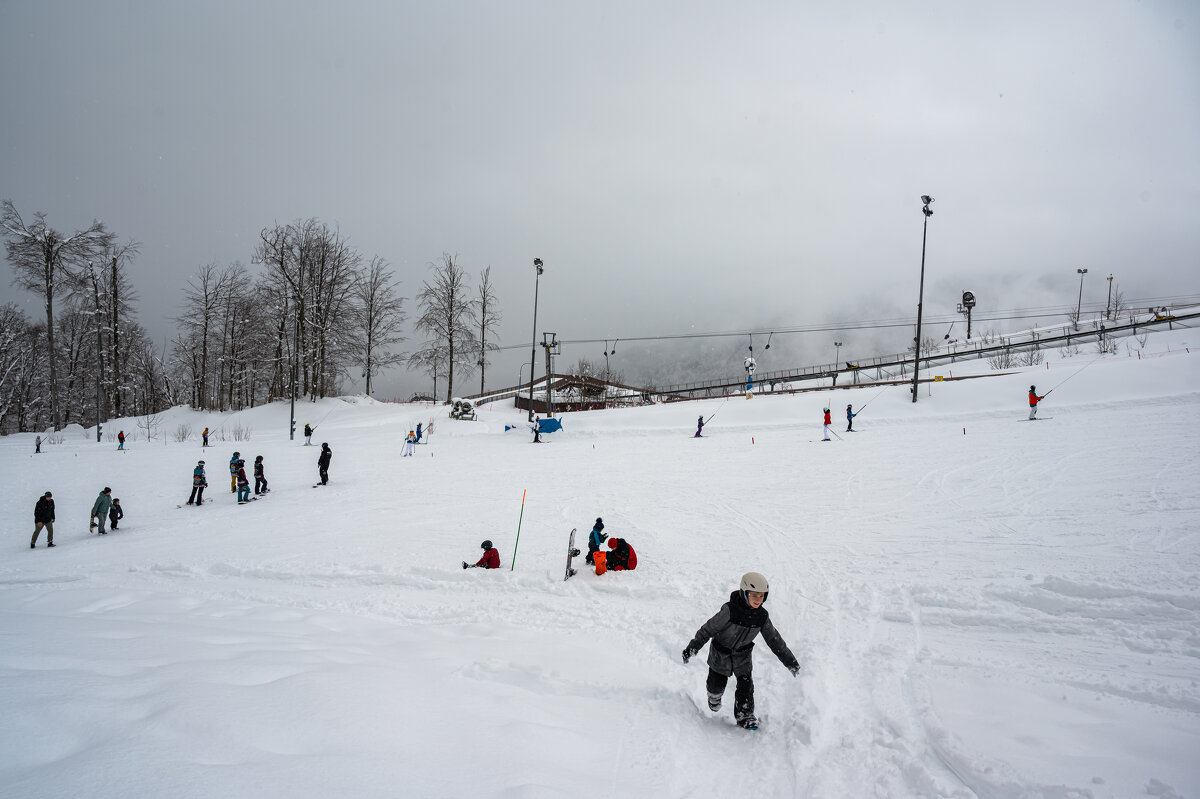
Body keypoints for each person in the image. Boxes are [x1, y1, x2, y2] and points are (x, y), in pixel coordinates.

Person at [682, 572, 800, 730]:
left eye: (761, 596)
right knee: (716, 685)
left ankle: (745, 716)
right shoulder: (730, 611)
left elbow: (774, 640)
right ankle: (714, 697)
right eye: (754, 595)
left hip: (742, 657)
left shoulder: (762, 617)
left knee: (746, 687)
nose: (758, 600)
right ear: (743, 593)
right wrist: (693, 646)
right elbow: (708, 629)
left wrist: (791, 663)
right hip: (720, 655)